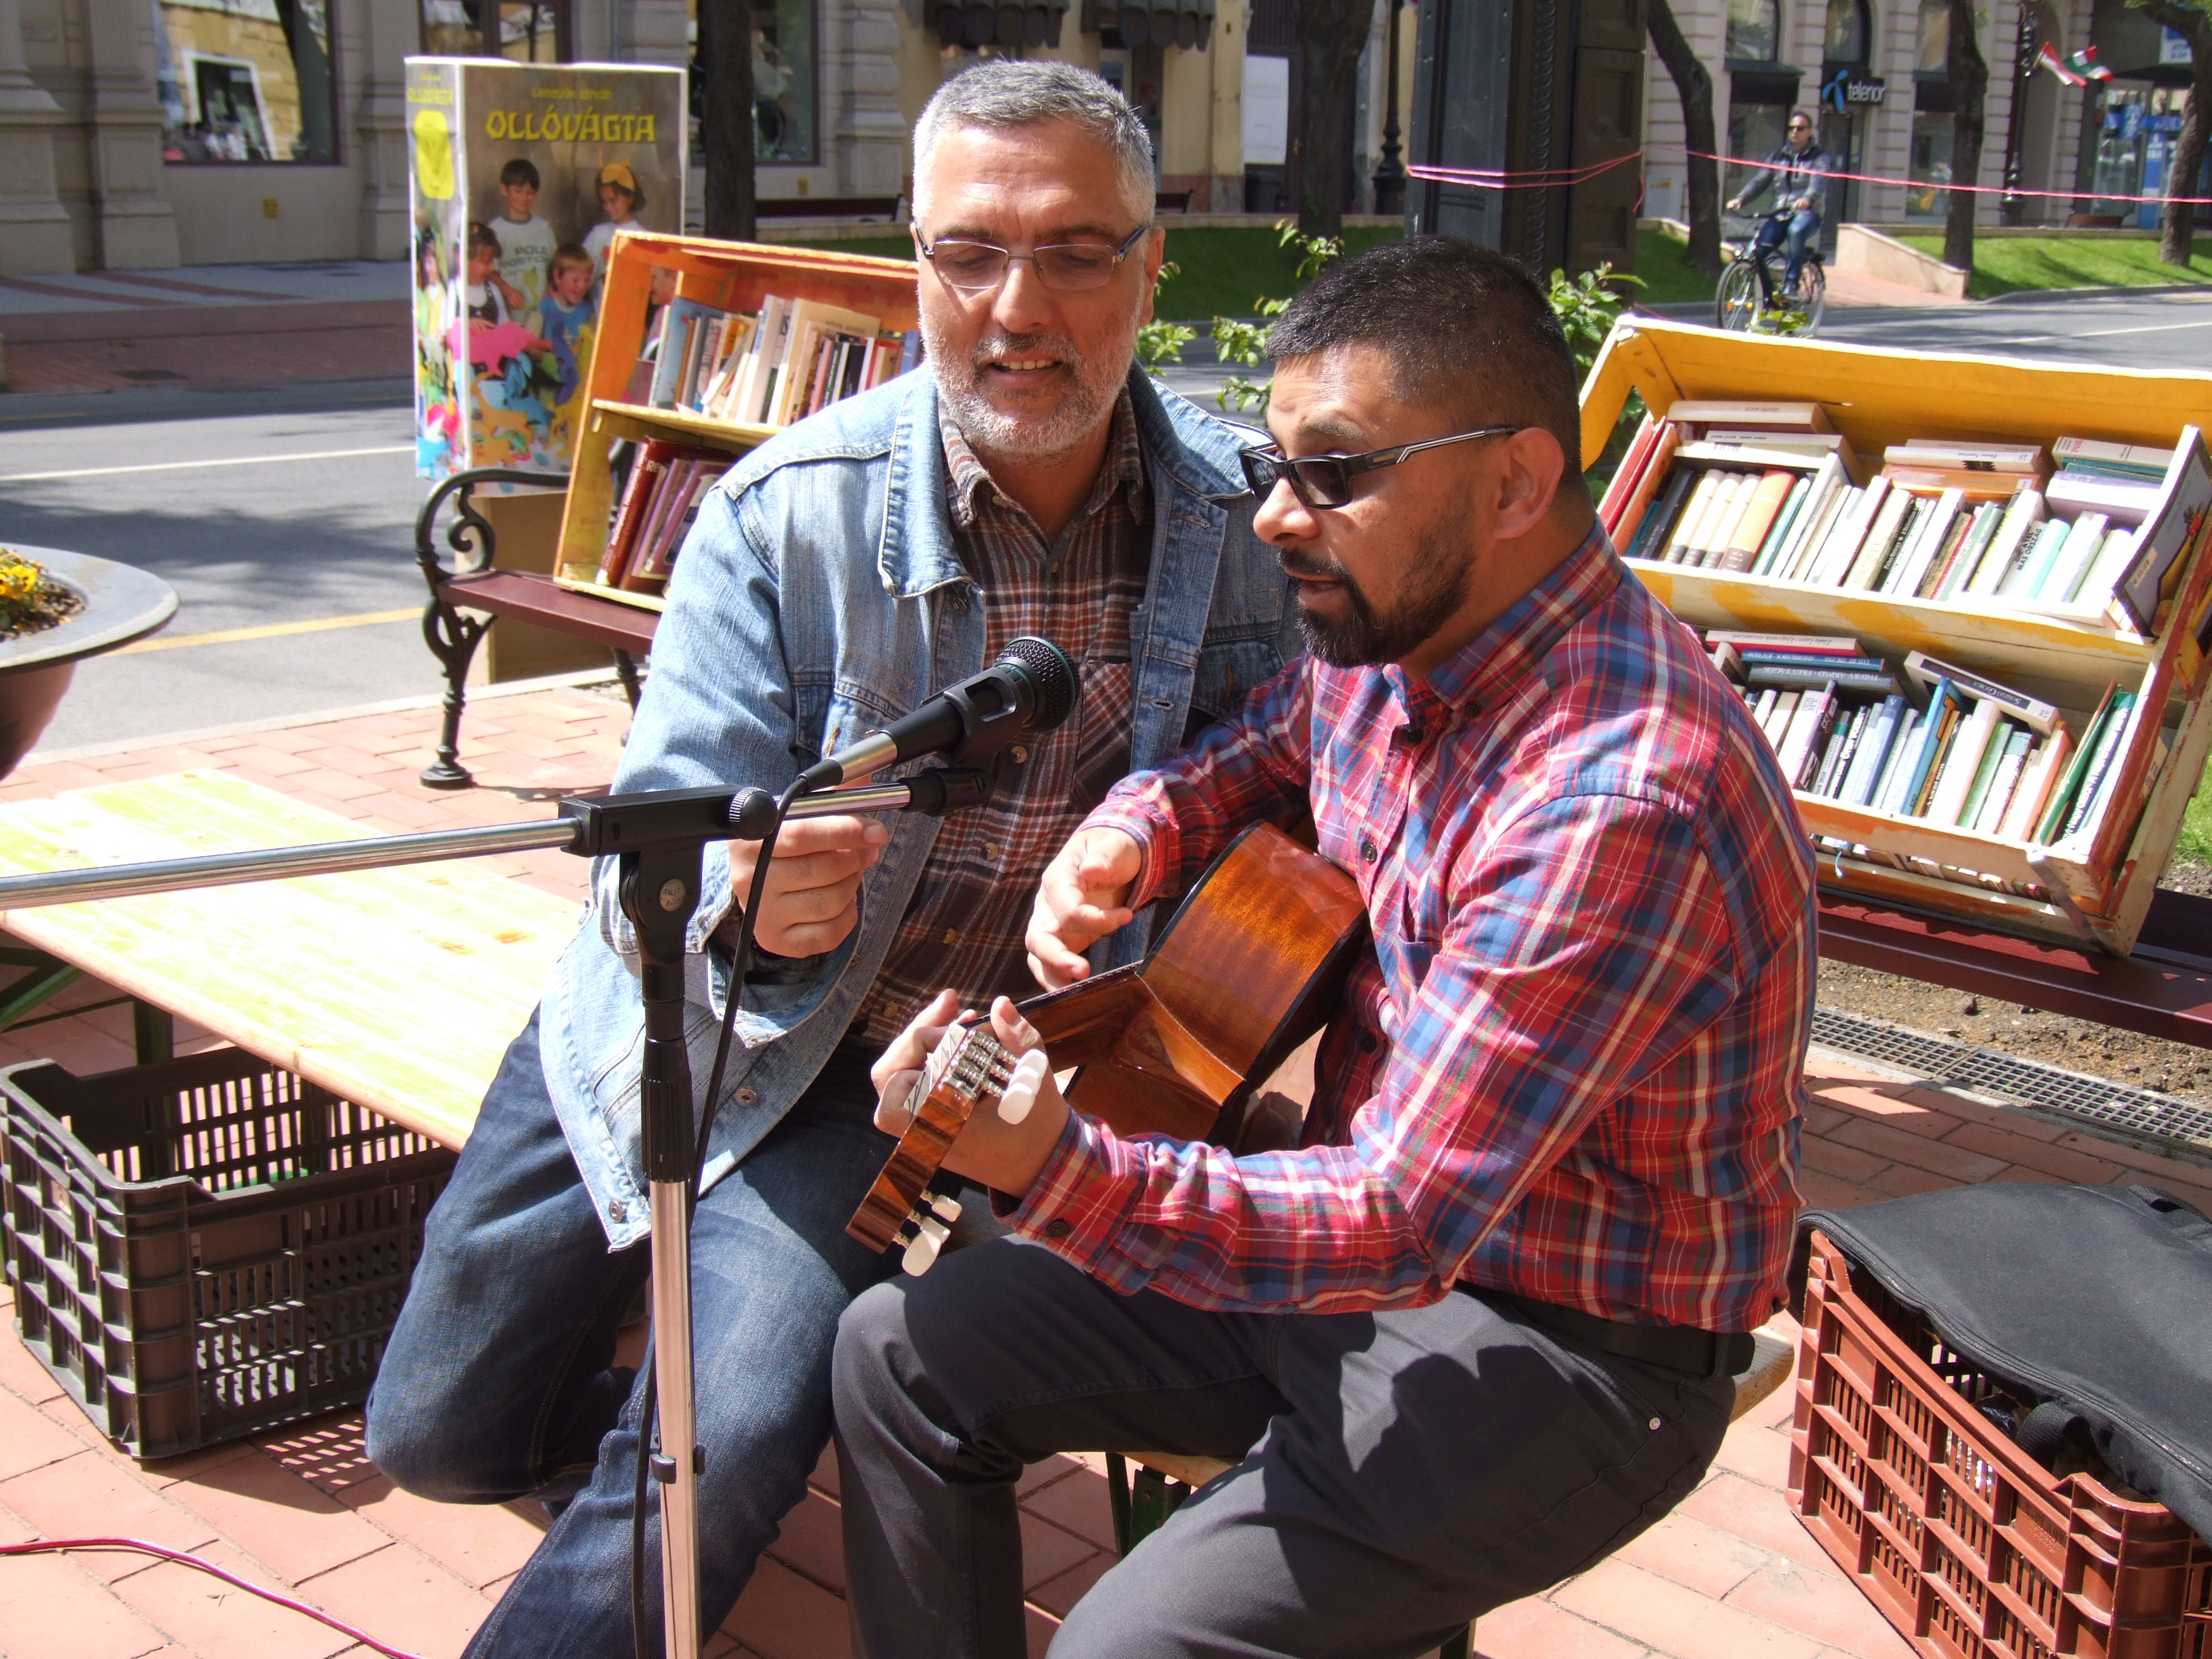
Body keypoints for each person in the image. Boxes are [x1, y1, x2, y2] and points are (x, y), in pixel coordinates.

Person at [365, 60, 1299, 1658]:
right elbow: (649, 853)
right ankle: (657, 1387)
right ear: (915, 264)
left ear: (1151, 268)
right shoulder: (782, 515)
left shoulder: (1256, 532)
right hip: (677, 1022)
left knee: (714, 1442)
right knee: (432, 1440)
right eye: (970, 253)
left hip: (891, 1086)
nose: (1019, 307)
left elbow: (1336, 772)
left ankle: (696, 1411)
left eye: (1077, 253)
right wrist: (747, 900)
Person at [831, 236, 1817, 1659]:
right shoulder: (1405, 638)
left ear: (1514, 484)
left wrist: (1052, 1164)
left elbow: (1403, 1220)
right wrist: (1132, 831)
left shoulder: (1617, 798)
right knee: (898, 1352)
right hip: (1346, 1257)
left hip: (1560, 1343)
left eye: (1335, 473)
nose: (1278, 519)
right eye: (1274, 469)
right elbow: (1262, 745)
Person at [1727, 110, 1831, 297]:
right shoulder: (1778, 157)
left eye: (1800, 128)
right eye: (1791, 128)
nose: (1795, 132)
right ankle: (1770, 296)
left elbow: (1818, 183)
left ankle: (1792, 283)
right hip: (1781, 213)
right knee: (1758, 252)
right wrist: (1741, 199)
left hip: (1807, 214)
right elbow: (1760, 181)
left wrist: (1807, 199)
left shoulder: (1820, 157)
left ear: (1810, 131)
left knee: (1796, 231)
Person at [489, 156, 557, 315]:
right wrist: (507, 290)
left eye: (530, 193)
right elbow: (489, 272)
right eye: (518, 191)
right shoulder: (495, 230)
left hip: (542, 314)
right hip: (509, 315)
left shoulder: (544, 228)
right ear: (504, 190)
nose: (524, 198)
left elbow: (557, 268)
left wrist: (550, 289)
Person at [536, 243, 597, 408]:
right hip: (551, 385)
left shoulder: (587, 311)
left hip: (577, 388)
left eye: (586, 280)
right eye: (576, 280)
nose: (582, 286)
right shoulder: (546, 307)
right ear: (558, 277)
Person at [583, 162, 646, 295]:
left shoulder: (644, 236)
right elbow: (582, 271)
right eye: (605, 202)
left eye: (613, 200)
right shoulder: (598, 234)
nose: (609, 207)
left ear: (630, 197)